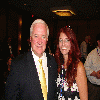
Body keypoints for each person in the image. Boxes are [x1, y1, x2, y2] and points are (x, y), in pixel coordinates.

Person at [5, 19, 57, 100]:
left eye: (43, 36)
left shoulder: (53, 62)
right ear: (30, 38)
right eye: (36, 36)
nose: (39, 41)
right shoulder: (17, 64)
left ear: (47, 39)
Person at [55, 26, 88, 100]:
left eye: (67, 40)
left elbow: (84, 98)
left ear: (72, 43)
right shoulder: (60, 65)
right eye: (61, 40)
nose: (63, 44)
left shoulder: (78, 67)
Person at [84, 33, 100, 100]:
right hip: (94, 88)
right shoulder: (92, 54)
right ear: (98, 42)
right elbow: (85, 68)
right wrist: (95, 74)